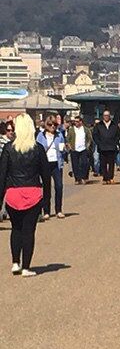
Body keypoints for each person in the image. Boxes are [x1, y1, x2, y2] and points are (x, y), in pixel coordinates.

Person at [0, 114, 49, 276]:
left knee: (16, 229)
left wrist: (0, 200)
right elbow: (46, 176)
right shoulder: (38, 148)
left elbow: (2, 176)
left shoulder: (8, 148)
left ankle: (15, 263)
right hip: (33, 192)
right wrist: (46, 200)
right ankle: (26, 267)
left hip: (13, 193)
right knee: (29, 231)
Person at [36, 116, 66, 219]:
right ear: (46, 125)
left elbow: (62, 148)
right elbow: (37, 149)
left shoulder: (59, 135)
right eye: (50, 124)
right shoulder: (41, 136)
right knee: (46, 187)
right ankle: (46, 211)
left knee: (59, 186)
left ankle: (59, 210)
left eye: (55, 124)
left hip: (56, 163)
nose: (52, 126)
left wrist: (64, 149)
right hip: (45, 164)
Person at [93, 110, 119, 184]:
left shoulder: (114, 125)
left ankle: (110, 178)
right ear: (103, 116)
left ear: (109, 116)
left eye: (107, 115)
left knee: (111, 163)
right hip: (102, 147)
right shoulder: (99, 125)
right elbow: (95, 135)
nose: (106, 117)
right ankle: (105, 178)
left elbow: (118, 135)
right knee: (103, 163)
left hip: (112, 147)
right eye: (105, 115)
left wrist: (115, 142)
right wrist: (99, 143)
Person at [67, 115, 93, 184]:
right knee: (75, 165)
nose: (75, 123)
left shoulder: (86, 129)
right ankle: (77, 179)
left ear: (81, 122)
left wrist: (87, 145)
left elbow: (89, 138)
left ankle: (84, 177)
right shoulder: (71, 130)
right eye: (74, 121)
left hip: (83, 149)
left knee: (84, 163)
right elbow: (68, 139)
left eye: (77, 121)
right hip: (74, 149)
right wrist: (70, 147)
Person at [0, 121, 14, 221]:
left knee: (8, 192)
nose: (10, 132)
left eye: (12, 130)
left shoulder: (16, 142)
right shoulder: (1, 141)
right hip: (2, 169)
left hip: (11, 171)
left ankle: (4, 211)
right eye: (8, 130)